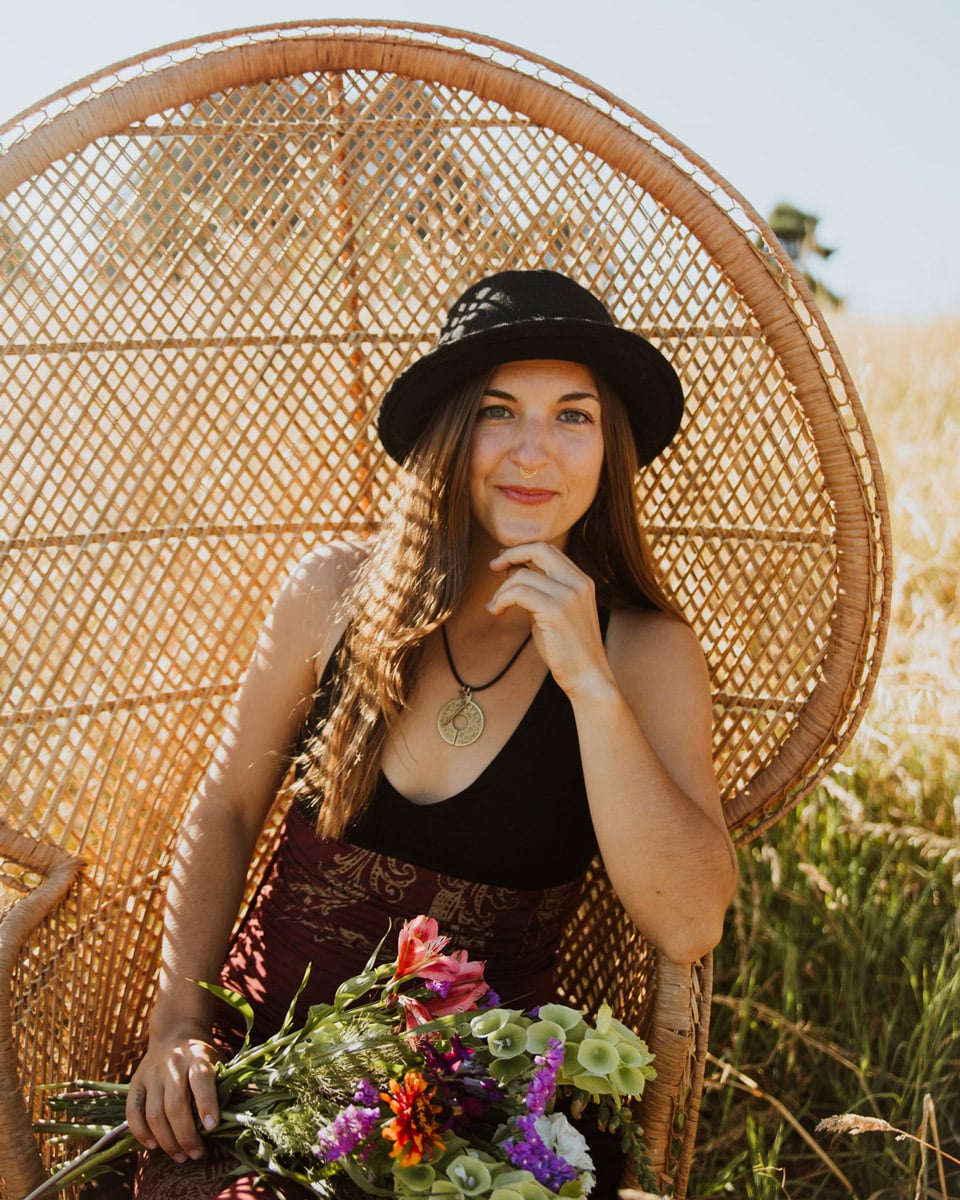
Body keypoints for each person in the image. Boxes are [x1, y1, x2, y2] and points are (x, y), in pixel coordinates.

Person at [126, 269, 738, 1198]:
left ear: (609, 450)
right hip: (257, 1077)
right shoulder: (332, 595)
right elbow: (227, 805)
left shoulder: (646, 650)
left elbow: (690, 922)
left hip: (471, 1127)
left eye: (574, 417)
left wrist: (589, 684)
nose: (535, 452)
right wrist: (177, 1022)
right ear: (450, 434)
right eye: (500, 411)